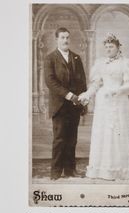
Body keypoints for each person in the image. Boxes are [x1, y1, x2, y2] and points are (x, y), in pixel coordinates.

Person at [79, 33, 129, 180]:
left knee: (117, 132)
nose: (108, 49)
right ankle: (102, 169)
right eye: (106, 47)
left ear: (118, 48)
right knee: (103, 133)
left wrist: (117, 90)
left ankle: (120, 169)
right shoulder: (100, 62)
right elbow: (96, 84)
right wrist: (87, 94)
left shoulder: (125, 62)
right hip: (103, 102)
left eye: (111, 47)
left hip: (119, 101)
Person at [44, 27, 87, 180]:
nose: (66, 40)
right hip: (60, 105)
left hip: (75, 106)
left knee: (72, 139)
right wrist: (69, 95)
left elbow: (82, 82)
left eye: (67, 37)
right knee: (59, 139)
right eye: (62, 37)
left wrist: (84, 100)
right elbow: (50, 82)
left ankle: (70, 170)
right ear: (57, 39)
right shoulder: (50, 58)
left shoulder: (76, 58)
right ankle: (55, 172)